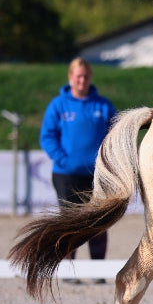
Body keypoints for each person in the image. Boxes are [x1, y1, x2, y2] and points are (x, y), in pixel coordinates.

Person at [40, 58, 117, 281]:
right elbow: (47, 136)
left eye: (85, 76)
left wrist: (108, 162)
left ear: (90, 78)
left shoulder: (103, 106)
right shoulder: (58, 105)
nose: (81, 80)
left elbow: (115, 135)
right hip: (66, 175)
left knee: (99, 222)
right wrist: (62, 159)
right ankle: (68, 271)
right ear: (70, 78)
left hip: (98, 175)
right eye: (78, 76)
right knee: (70, 223)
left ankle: (98, 272)